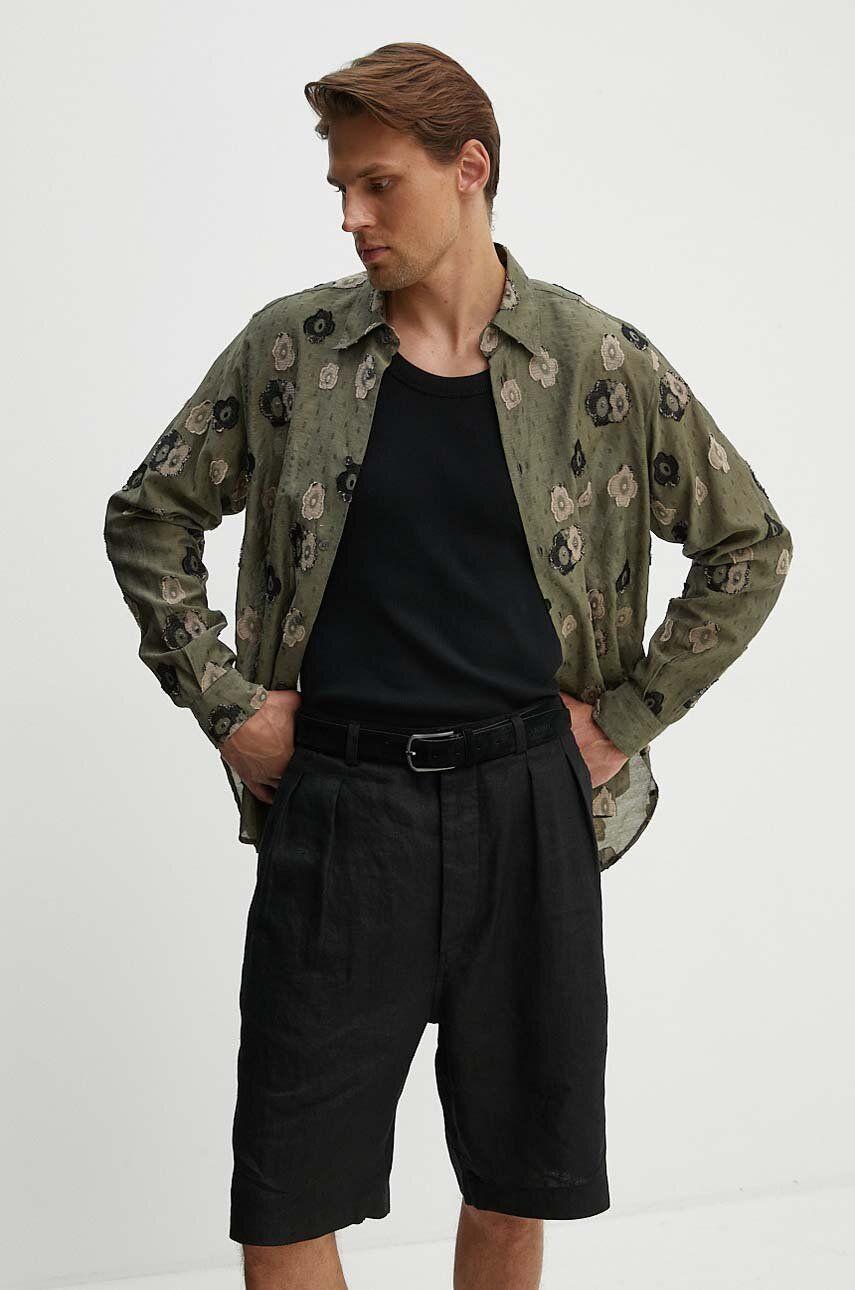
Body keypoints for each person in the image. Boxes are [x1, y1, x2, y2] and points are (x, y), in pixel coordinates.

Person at [103, 40, 794, 1290]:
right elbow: (149, 514)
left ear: (469, 169)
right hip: (338, 809)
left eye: (380, 185)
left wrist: (621, 721)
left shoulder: (594, 361)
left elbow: (750, 544)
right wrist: (229, 707)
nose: (353, 216)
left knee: (513, 1187)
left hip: (527, 809)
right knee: (284, 1197)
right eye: (341, 189)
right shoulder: (293, 350)